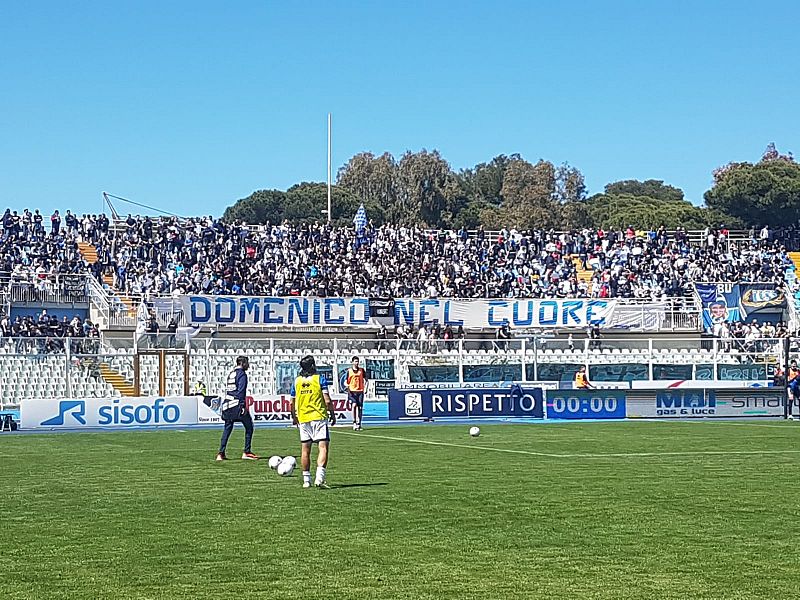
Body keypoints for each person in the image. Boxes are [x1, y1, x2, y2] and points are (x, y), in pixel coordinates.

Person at [290, 355, 336, 488]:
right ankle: (319, 478)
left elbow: (291, 402)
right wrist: (332, 414)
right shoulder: (319, 379)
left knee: (305, 450)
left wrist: (294, 417)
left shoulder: (297, 381)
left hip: (303, 418)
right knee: (323, 447)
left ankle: (306, 481)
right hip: (318, 417)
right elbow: (327, 400)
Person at [216, 355, 258, 461]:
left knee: (227, 428)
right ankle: (246, 452)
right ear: (243, 363)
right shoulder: (242, 374)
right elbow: (241, 391)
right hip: (236, 404)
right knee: (249, 426)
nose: (248, 365)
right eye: (247, 363)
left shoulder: (231, 373)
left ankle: (220, 453)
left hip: (227, 404)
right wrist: (242, 405)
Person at [345, 356, 368, 431]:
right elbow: (345, 381)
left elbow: (366, 380)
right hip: (352, 391)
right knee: (354, 405)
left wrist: (366, 389)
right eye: (355, 361)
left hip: (360, 391)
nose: (356, 363)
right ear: (352, 362)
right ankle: (354, 422)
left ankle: (359, 423)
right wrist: (347, 386)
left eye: (357, 361)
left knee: (360, 408)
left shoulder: (361, 370)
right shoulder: (349, 371)